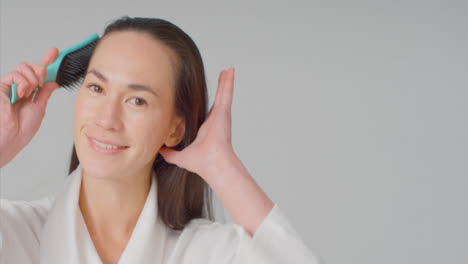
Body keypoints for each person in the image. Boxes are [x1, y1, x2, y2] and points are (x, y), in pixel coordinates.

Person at [0, 16, 320, 264]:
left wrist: (223, 169)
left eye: (137, 100)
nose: (107, 120)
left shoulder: (205, 253)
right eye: (96, 88)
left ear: (175, 129)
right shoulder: (17, 235)